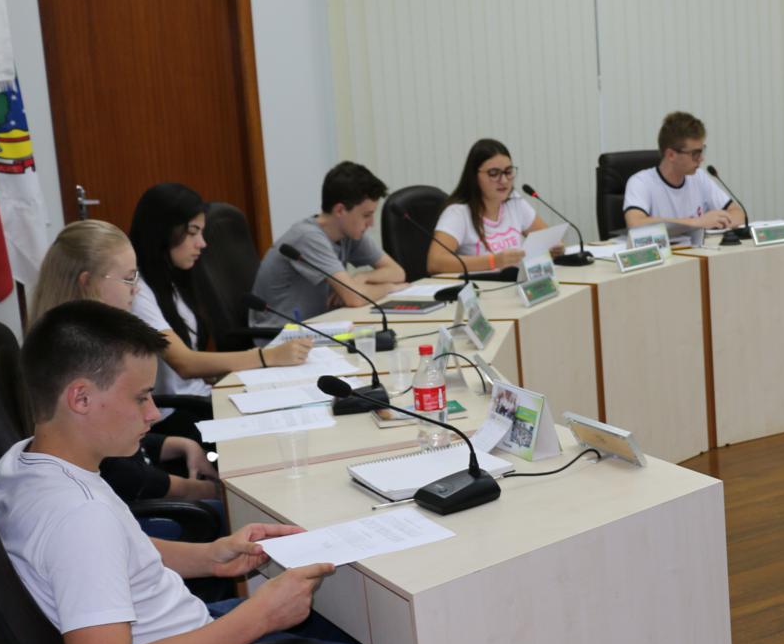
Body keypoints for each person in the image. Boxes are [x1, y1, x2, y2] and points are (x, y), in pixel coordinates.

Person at [0, 301, 425, 644]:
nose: (153, 414)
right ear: (80, 397)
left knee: (353, 630)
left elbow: (105, 558)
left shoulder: (22, 465)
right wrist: (259, 616)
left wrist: (209, 556)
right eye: (141, 397)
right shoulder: (78, 516)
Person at [30, 220, 220, 506]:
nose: (136, 290)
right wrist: (201, 490)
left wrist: (177, 444)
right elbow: (118, 473)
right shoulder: (82, 358)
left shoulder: (72, 341)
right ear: (87, 282)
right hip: (129, 510)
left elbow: (123, 442)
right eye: (129, 279)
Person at [130, 184, 313, 435]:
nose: (202, 243)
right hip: (176, 416)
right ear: (163, 231)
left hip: (202, 397)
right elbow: (185, 363)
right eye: (193, 232)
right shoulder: (139, 292)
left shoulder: (172, 281)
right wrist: (266, 357)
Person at [251, 162, 403, 326]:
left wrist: (363, 277)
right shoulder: (308, 237)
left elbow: (397, 272)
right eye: (366, 215)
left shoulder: (349, 232)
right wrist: (389, 288)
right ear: (340, 210)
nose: (371, 223)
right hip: (282, 335)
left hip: (320, 326)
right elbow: (355, 298)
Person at [428, 139, 553, 276]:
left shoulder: (514, 201)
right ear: (474, 176)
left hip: (516, 283)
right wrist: (493, 261)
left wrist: (553, 247)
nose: (504, 180)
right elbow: (435, 262)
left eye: (508, 172)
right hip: (483, 286)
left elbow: (546, 238)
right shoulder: (458, 213)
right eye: (494, 173)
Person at [623, 111, 746, 246]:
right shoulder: (640, 182)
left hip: (697, 253)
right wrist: (697, 222)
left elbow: (738, 214)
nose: (701, 159)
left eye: (702, 151)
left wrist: (718, 221)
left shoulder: (699, 177)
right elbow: (635, 224)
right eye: (695, 153)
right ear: (671, 155)